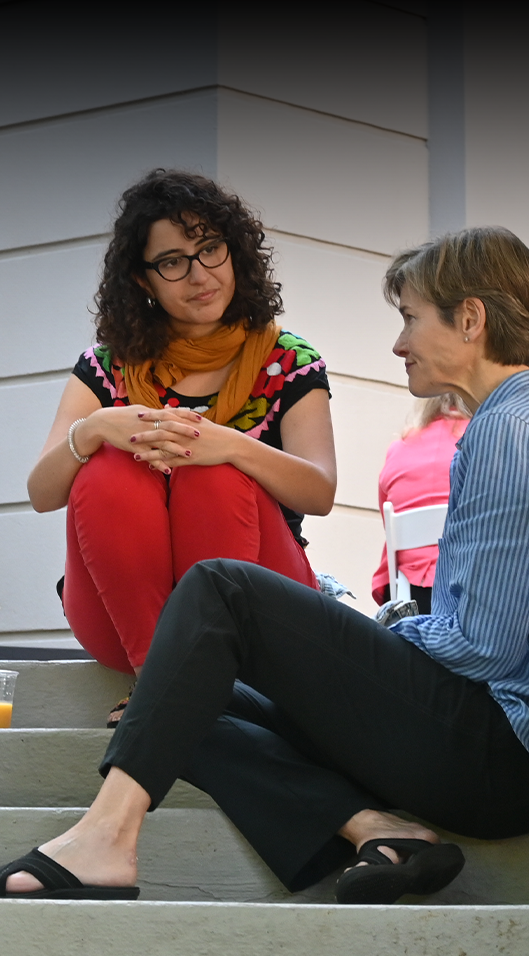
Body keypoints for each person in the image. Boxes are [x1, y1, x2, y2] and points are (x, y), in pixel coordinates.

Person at [0, 226, 529, 904]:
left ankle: (106, 836)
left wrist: (375, 639)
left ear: (470, 320)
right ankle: (380, 831)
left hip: (506, 758)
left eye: (409, 319)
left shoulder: (509, 436)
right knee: (176, 700)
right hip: (487, 748)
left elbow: (480, 647)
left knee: (218, 587)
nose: (398, 344)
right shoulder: (520, 426)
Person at [27, 170, 337, 718]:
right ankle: (163, 679)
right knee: (106, 467)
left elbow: (319, 492)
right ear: (144, 281)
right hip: (123, 613)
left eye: (210, 249)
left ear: (234, 252)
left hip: (260, 604)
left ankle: (192, 678)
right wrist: (95, 428)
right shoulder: (105, 366)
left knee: (211, 470)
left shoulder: (289, 360)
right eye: (173, 261)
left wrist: (230, 446)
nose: (200, 275)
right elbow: (42, 493)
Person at [370, 392, 472, 614]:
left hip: (408, 596)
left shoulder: (399, 447)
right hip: (468, 591)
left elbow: (389, 524)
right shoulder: (484, 442)